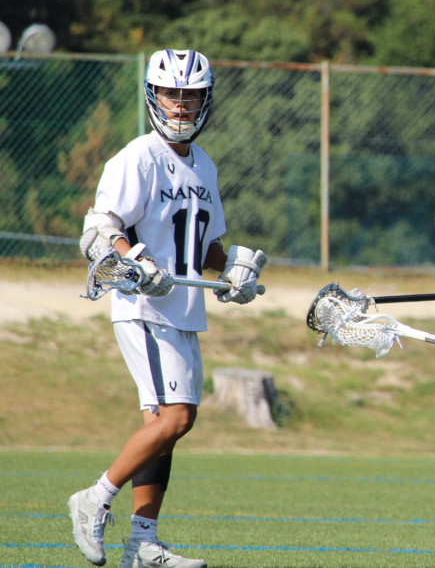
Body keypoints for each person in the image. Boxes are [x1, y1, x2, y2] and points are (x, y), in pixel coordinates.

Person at [69, 49, 267, 568]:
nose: (180, 104)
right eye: (171, 93)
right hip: (145, 306)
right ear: (153, 95)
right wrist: (135, 259)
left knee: (161, 427)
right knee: (177, 417)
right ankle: (95, 497)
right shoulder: (139, 156)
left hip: (183, 309)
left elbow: (204, 245)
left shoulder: (204, 164)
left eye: (190, 95)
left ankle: (143, 542)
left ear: (206, 100)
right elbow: (100, 229)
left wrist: (232, 273)